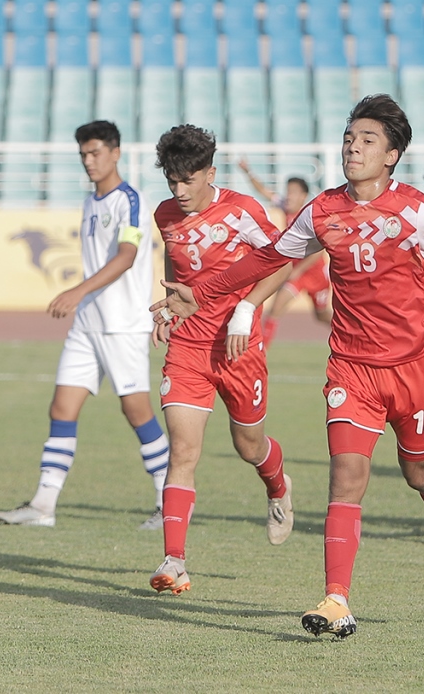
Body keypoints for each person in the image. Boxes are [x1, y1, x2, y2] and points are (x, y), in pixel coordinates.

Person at [150, 95, 424, 638]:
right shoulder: (322, 210)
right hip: (350, 370)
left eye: (367, 140)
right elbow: (269, 258)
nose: (353, 148)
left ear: (392, 155)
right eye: (348, 138)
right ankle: (336, 599)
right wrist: (200, 291)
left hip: (411, 371)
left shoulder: (416, 212)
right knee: (346, 477)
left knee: (420, 472)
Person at [0, 120, 168, 530]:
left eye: (95, 153)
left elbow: (126, 256)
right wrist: (83, 299)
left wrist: (77, 291)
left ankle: (169, 501)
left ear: (115, 153)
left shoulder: (130, 200)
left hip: (122, 325)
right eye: (83, 155)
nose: (89, 161)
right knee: (61, 407)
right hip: (87, 325)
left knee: (137, 411)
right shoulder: (90, 202)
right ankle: (43, 505)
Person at [148, 124, 295, 596]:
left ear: (210, 173)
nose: (179, 190)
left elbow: (283, 260)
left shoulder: (242, 211)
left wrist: (246, 310)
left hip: (238, 349)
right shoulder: (164, 214)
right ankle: (174, 561)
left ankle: (278, 487)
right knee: (182, 452)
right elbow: (174, 262)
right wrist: (170, 307)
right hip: (188, 348)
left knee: (249, 446)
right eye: (172, 180)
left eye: (188, 180)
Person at [238, 160, 332, 346]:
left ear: (303, 196)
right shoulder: (285, 207)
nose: (289, 196)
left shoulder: (309, 215)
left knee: (321, 315)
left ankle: (350, 335)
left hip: (315, 273)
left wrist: (299, 270)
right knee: (275, 310)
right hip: (296, 273)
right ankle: (262, 352)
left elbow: (317, 251)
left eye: (293, 192)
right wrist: (248, 172)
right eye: (288, 191)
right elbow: (264, 191)